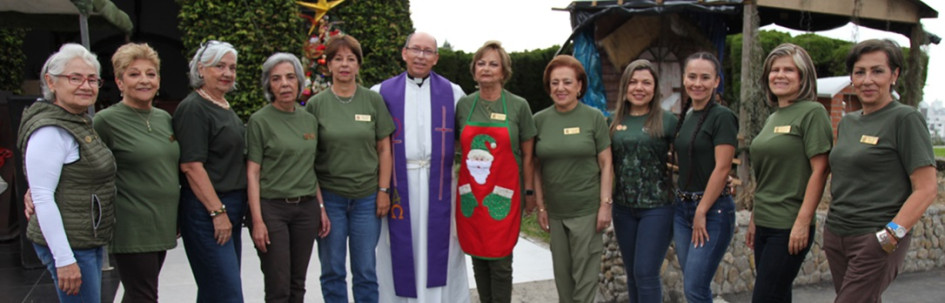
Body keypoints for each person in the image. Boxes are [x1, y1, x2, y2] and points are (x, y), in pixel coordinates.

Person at [824, 39, 937, 302]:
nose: (867, 80)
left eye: (877, 71)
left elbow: (927, 188)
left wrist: (889, 237)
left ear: (894, 75)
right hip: (837, 234)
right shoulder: (848, 122)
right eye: (859, 72)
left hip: (875, 236)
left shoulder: (905, 119)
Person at [371, 32, 470, 303]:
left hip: (439, 184)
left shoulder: (453, 92)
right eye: (416, 49)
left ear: (436, 58)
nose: (421, 56)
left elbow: (469, 136)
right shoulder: (381, 92)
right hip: (398, 182)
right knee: (397, 247)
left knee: (442, 249)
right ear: (404, 53)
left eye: (428, 51)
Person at [18, 43, 116, 303]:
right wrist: (64, 260)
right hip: (71, 244)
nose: (86, 85)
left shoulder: (76, 120)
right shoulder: (51, 130)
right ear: (51, 82)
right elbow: (42, 197)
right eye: (75, 78)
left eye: (92, 79)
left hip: (84, 237)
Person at [306, 35, 395, 303]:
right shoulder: (315, 105)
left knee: (365, 269)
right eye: (338, 59)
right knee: (332, 269)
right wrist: (320, 205)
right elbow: (308, 158)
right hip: (331, 199)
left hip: (367, 199)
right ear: (329, 65)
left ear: (358, 65)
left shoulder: (372, 101)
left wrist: (383, 190)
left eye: (351, 59)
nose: (344, 64)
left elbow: (384, 149)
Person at [745, 43, 832, 303]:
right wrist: (754, 218)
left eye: (789, 70)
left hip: (789, 225)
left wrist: (803, 222)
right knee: (778, 297)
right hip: (765, 223)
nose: (779, 75)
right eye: (775, 70)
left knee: (764, 298)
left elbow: (821, 170)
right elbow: (767, 175)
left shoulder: (813, 112)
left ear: (803, 77)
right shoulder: (774, 117)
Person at [96, 42, 180, 303]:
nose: (144, 80)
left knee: (138, 294)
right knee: (144, 295)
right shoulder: (106, 121)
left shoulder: (164, 118)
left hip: (162, 223)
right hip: (132, 225)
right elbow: (85, 166)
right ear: (120, 82)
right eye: (134, 74)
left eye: (150, 74)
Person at [455, 40, 536, 303]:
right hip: (471, 194)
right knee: (478, 257)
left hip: (505, 194)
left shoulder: (518, 106)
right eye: (481, 63)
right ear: (474, 69)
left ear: (504, 71)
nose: (486, 69)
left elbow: (527, 155)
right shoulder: (464, 105)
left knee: (501, 261)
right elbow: (459, 147)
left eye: (493, 64)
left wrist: (529, 192)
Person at [247, 53, 331, 302]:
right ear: (269, 85)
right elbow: (252, 172)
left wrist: (321, 208)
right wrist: (257, 221)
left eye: (290, 77)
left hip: (306, 210)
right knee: (278, 286)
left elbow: (310, 167)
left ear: (299, 82)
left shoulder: (309, 121)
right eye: (276, 79)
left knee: (298, 285)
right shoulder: (259, 121)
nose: (284, 84)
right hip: (273, 210)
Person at [533, 55, 613, 303]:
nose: (560, 88)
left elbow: (606, 162)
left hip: (587, 211)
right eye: (555, 82)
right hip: (556, 213)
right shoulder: (539, 120)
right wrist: (541, 206)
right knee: (563, 280)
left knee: (585, 280)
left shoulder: (594, 118)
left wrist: (604, 205)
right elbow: (535, 167)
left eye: (567, 82)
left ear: (579, 86)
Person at [173, 40, 246, 303]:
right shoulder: (194, 108)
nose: (227, 73)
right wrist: (217, 212)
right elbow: (191, 166)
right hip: (208, 210)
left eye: (232, 67)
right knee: (227, 293)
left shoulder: (222, 104)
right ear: (201, 69)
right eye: (220, 66)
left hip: (230, 207)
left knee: (214, 290)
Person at [608, 59, 677, 303]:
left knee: (646, 273)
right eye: (634, 82)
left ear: (655, 88)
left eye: (646, 82)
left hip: (657, 207)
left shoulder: (668, 121)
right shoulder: (612, 122)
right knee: (633, 274)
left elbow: (690, 157)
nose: (639, 88)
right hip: (623, 208)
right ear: (625, 87)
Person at [672, 51, 738, 303]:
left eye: (705, 77)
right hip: (682, 209)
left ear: (716, 81)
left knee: (695, 288)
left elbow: (722, 168)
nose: (697, 83)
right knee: (693, 284)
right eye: (692, 76)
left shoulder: (722, 117)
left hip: (712, 211)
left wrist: (701, 211)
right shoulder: (687, 115)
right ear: (684, 78)